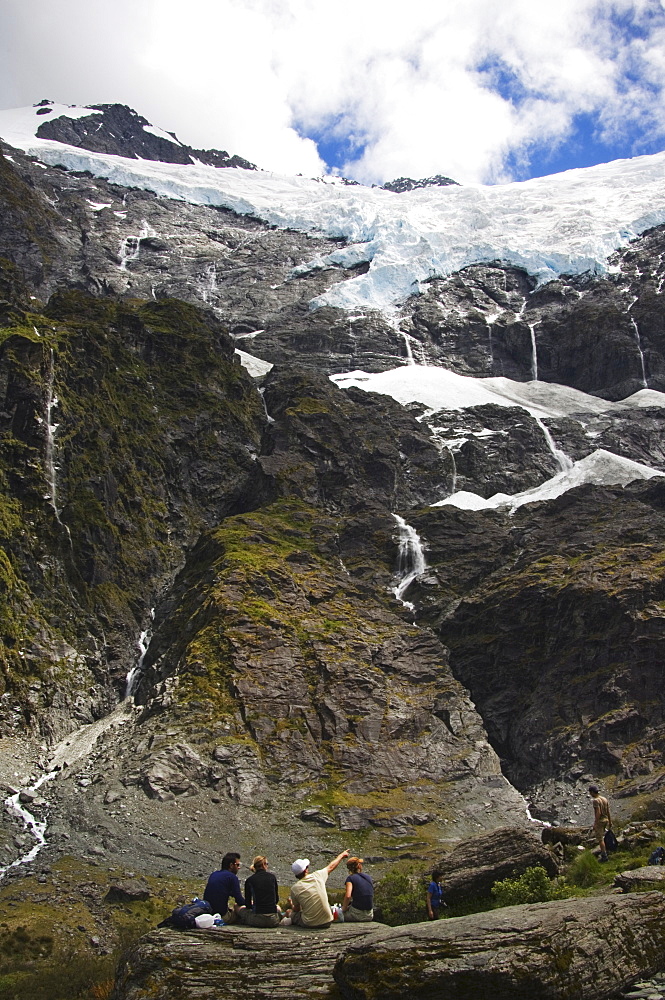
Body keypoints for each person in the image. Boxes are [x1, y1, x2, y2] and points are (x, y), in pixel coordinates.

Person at [285, 850, 349, 928]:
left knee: (290, 913)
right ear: (306, 870)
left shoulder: (294, 889)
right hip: (327, 921)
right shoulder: (317, 876)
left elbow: (296, 909)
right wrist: (341, 855)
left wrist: (291, 904)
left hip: (310, 924)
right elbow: (331, 866)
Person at [203, 851, 246, 922]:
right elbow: (239, 901)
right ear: (231, 865)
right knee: (239, 913)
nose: (239, 868)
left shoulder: (214, 874)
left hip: (207, 913)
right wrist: (249, 903)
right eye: (237, 865)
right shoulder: (232, 877)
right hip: (221, 915)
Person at [242, 855, 282, 927]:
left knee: (239, 909)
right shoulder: (272, 877)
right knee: (278, 908)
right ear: (264, 865)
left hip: (257, 920)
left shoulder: (250, 880)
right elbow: (276, 900)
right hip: (273, 920)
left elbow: (247, 904)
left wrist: (253, 904)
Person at [342, 857, 374, 922]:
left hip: (357, 915)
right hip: (370, 914)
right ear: (359, 866)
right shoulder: (368, 877)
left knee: (337, 915)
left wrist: (343, 909)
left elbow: (348, 896)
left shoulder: (350, 879)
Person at [589, 785, 612, 862]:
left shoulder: (596, 801)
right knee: (604, 836)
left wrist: (595, 823)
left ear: (592, 792)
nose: (590, 794)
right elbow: (608, 811)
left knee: (600, 839)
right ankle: (607, 850)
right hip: (606, 820)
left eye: (590, 792)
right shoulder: (604, 799)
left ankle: (604, 856)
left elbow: (598, 812)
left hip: (600, 821)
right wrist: (610, 821)